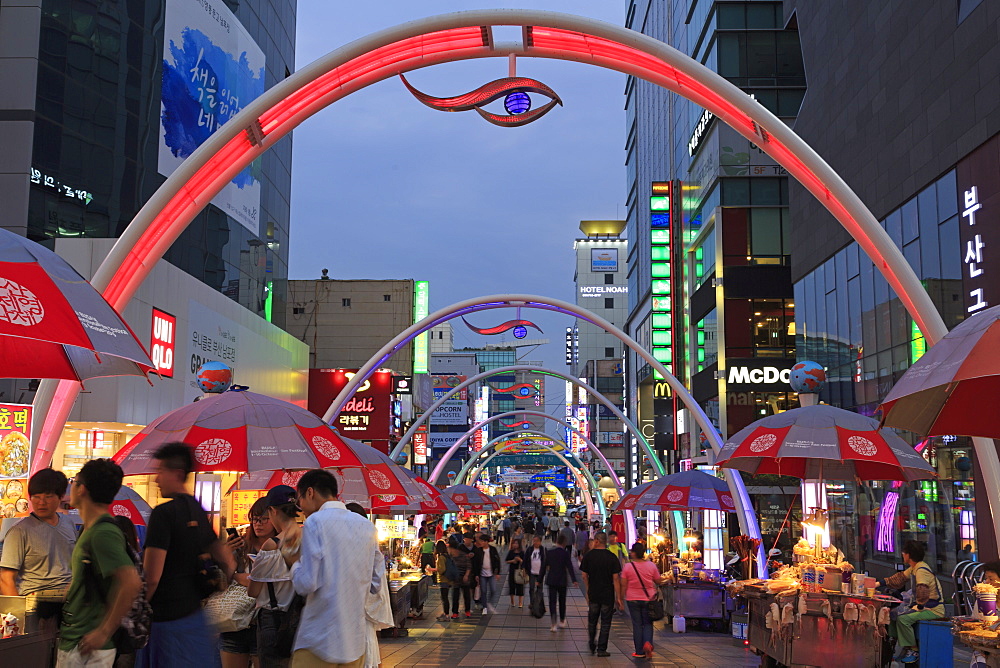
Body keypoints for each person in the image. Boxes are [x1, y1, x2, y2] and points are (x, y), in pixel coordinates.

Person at [141, 443, 234, 667]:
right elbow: (228, 561)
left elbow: (151, 577)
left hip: (166, 621)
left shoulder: (163, 514)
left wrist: (137, 609)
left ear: (178, 474)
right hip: (195, 619)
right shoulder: (196, 509)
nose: (156, 480)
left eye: (160, 472)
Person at [285, 469, 381, 667]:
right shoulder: (366, 526)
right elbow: (376, 583)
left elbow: (307, 584)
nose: (300, 507)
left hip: (319, 638)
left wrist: (294, 563)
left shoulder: (315, 522)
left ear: (310, 492)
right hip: (354, 639)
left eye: (299, 499)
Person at [58, 459, 142, 668]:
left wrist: (103, 631)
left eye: (74, 482)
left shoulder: (103, 533)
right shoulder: (89, 529)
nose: (72, 486)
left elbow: (131, 583)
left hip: (88, 646)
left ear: (82, 489)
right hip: (77, 640)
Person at [0, 468, 77, 631]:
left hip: (69, 604)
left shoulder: (69, 524)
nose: (41, 502)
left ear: (61, 497)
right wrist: (18, 619)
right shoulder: (19, 531)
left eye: (48, 497)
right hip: (34, 606)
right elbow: (6, 579)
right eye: (36, 497)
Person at [247, 485, 299, 668]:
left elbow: (253, 591)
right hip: (301, 617)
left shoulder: (271, 546)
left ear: (272, 511)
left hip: (272, 620)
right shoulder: (310, 535)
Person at [221, 497, 276, 668]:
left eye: (263, 519)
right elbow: (223, 582)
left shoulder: (280, 547)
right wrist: (227, 556)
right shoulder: (242, 546)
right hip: (235, 621)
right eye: (254, 519)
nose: (258, 524)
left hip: (264, 621)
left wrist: (244, 578)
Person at [883, 540, 945, 664]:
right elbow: (899, 579)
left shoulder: (921, 570)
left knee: (903, 619)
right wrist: (878, 583)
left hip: (934, 610)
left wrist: (919, 606)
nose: (902, 554)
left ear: (909, 555)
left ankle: (913, 650)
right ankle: (895, 645)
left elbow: (922, 589)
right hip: (924, 607)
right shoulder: (915, 567)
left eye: (904, 552)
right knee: (893, 614)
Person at [619, 542, 664, 659]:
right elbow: (658, 581)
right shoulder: (651, 566)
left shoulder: (628, 567)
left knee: (637, 625)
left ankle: (639, 651)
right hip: (648, 598)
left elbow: (623, 585)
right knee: (648, 623)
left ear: (633, 553)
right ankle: (648, 643)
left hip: (632, 598)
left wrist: (620, 599)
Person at [580, 532, 622, 657]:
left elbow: (584, 576)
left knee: (592, 621)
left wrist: (588, 590)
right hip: (607, 595)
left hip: (593, 593)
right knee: (605, 622)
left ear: (597, 541)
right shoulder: (612, 557)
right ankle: (602, 649)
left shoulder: (589, 556)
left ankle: (592, 643)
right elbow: (616, 579)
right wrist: (618, 597)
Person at [542, 533, 577, 632]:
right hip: (562, 580)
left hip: (551, 580)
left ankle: (553, 624)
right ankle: (562, 620)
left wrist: (539, 580)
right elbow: (570, 567)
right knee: (562, 601)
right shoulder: (565, 553)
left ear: (557, 542)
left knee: (552, 602)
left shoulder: (549, 553)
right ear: (564, 543)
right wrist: (574, 580)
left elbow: (544, 566)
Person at [471, 534, 500, 614]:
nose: (480, 543)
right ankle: (485, 607)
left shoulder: (493, 550)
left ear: (486, 542)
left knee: (493, 590)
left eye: (482, 541)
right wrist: (476, 574)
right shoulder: (478, 551)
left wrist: (498, 572)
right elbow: (476, 564)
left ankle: (488, 602)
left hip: (491, 573)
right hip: (482, 574)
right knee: (483, 591)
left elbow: (497, 561)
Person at [447, 538, 473, 618]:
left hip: (464, 578)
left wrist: (466, 575)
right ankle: (455, 612)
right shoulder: (450, 557)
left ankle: (467, 611)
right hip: (455, 579)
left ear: (452, 548)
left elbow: (469, 566)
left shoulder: (463, 555)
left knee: (466, 595)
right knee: (455, 596)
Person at [433, 541, 456, 621]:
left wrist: (433, 569)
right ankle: (445, 613)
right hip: (449, 579)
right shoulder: (447, 556)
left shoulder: (441, 557)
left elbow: (442, 570)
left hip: (444, 580)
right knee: (445, 597)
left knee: (444, 598)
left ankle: (446, 615)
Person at [522, 534, 547, 603]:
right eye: (534, 541)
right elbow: (525, 559)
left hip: (540, 573)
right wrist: (524, 569)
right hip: (532, 572)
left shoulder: (543, 550)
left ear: (540, 542)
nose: (535, 542)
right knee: (531, 588)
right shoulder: (530, 549)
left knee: (539, 588)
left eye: (536, 541)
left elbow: (546, 560)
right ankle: (532, 602)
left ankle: (538, 603)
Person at [505, 538, 525, 608]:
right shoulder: (511, 552)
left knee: (520, 586)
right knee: (511, 586)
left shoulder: (522, 552)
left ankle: (520, 602)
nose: (515, 545)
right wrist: (513, 561)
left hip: (519, 571)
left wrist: (520, 560)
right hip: (512, 571)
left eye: (516, 543)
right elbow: (506, 561)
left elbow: (525, 562)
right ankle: (512, 602)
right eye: (514, 543)